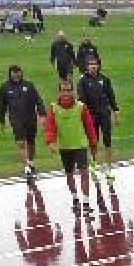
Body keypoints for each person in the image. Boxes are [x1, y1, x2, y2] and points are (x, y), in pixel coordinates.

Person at [43, 79, 98, 212]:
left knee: (84, 173)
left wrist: (93, 142)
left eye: (68, 90)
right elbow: (50, 126)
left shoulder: (81, 107)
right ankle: (75, 198)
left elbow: (89, 126)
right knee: (69, 174)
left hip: (80, 145)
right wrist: (50, 142)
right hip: (65, 147)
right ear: (59, 92)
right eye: (63, 90)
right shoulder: (53, 108)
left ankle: (85, 202)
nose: (66, 93)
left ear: (73, 92)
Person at [0, 65, 46, 179]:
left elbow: (38, 99)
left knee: (31, 142)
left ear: (21, 73)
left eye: (18, 72)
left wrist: (42, 113)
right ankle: (27, 167)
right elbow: (1, 104)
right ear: (10, 74)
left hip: (30, 118)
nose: (16, 75)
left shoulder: (29, 85)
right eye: (14, 72)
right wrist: (1, 119)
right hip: (16, 119)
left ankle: (31, 162)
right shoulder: (5, 87)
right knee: (21, 143)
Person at [77, 57, 120, 182]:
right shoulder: (83, 81)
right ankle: (94, 164)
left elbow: (111, 96)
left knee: (107, 140)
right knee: (93, 141)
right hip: (91, 115)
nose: (93, 66)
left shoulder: (104, 79)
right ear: (87, 66)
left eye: (95, 64)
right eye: (90, 64)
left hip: (104, 114)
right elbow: (81, 100)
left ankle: (108, 168)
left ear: (98, 66)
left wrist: (116, 111)